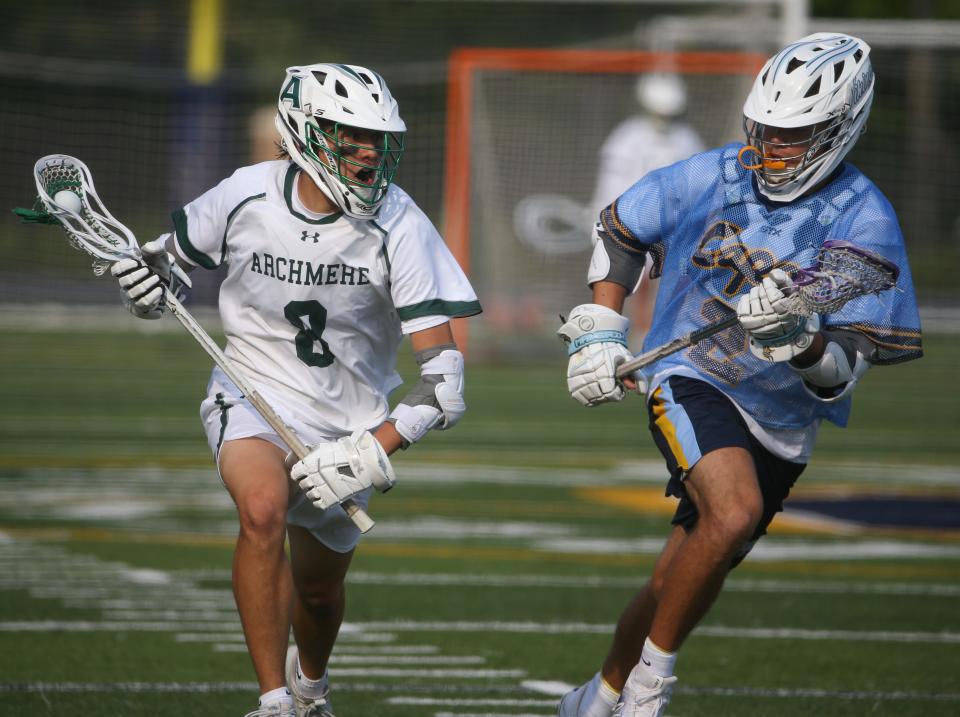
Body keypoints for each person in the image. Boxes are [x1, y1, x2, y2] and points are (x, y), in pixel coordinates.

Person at [557, 34, 922, 717]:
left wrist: (802, 339)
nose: (773, 148)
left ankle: (597, 695)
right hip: (690, 372)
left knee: (684, 569)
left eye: (796, 135)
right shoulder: (717, 173)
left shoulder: (865, 222)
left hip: (781, 420)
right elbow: (619, 229)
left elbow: (838, 377)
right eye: (769, 130)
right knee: (733, 513)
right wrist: (603, 331)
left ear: (842, 129)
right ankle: (645, 693)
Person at [111, 63, 481, 717]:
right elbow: (163, 266)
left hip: (350, 419)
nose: (369, 152)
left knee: (318, 593)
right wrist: (143, 288)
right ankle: (275, 700)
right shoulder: (246, 193)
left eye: (377, 138)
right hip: (252, 391)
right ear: (306, 134)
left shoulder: (400, 223)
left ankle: (310, 684)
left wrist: (369, 450)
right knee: (261, 509)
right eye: (350, 136)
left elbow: (443, 381)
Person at [589, 73, 704, 350]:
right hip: (633, 223)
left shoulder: (686, 139)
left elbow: (700, 185)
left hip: (676, 229)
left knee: (670, 286)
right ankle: (611, 340)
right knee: (626, 279)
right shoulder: (627, 138)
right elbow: (613, 184)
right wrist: (606, 217)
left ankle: (655, 336)